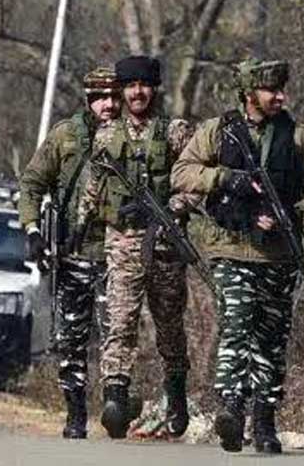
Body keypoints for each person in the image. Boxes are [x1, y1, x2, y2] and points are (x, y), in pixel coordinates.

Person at [171, 58, 304, 453]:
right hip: (230, 247)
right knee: (237, 323)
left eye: (281, 89)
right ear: (249, 93)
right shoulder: (218, 131)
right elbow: (182, 173)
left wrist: (294, 215)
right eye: (270, 90)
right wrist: (225, 178)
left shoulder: (297, 136)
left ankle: (264, 420)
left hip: (279, 253)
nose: (280, 97)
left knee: (271, 338)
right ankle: (231, 408)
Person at [77, 55, 195, 440]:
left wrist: (173, 208)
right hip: (123, 241)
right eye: (130, 86)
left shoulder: (176, 132)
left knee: (170, 325)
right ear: (123, 91)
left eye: (143, 86)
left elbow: (194, 182)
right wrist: (78, 228)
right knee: (120, 321)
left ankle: (175, 393)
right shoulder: (107, 136)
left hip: (164, 244)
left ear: (154, 89)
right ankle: (115, 395)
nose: (137, 93)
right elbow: (93, 187)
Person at [17, 66, 121, 438]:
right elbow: (31, 184)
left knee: (116, 337)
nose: (109, 104)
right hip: (72, 254)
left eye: (115, 97)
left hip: (116, 255)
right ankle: (76, 413)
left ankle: (115, 406)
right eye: (101, 98)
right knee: (70, 340)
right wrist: (33, 231)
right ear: (89, 100)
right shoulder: (66, 135)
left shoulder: (131, 136)